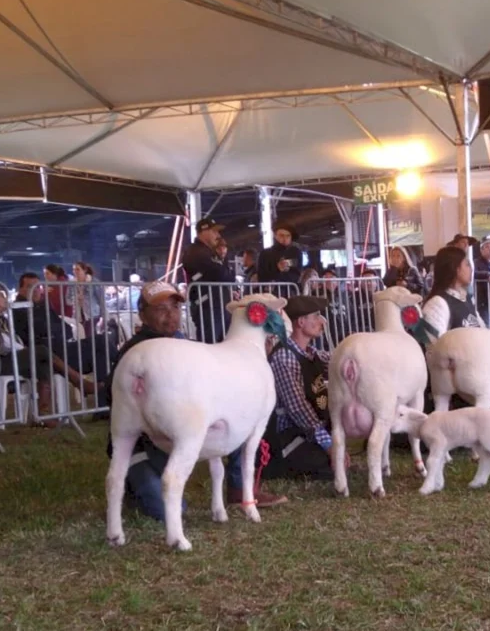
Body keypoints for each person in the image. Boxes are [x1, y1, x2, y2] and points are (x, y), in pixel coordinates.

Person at [106, 282, 286, 521]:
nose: (170, 314)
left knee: (238, 415)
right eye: (161, 309)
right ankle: (135, 484)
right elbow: (114, 401)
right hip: (144, 446)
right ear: (142, 314)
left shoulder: (186, 344)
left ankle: (237, 486)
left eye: (175, 307)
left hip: (177, 435)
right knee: (164, 507)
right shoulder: (134, 353)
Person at [0, 285, 98, 429]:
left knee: (43, 362)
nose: (5, 299)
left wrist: (21, 347)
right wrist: (22, 349)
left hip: (7, 357)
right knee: (41, 351)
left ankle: (42, 415)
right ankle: (80, 382)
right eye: (1, 296)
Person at [12, 272, 114, 406]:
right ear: (21, 289)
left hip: (62, 348)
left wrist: (55, 333)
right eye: (31, 287)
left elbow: (64, 327)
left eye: (38, 287)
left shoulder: (43, 305)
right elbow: (29, 336)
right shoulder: (18, 309)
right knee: (100, 344)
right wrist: (52, 332)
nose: (35, 290)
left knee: (101, 351)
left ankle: (104, 404)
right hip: (46, 357)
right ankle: (122, 360)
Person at [263, 295, 334, 480]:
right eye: (316, 316)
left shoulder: (312, 354)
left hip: (306, 432)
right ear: (301, 322)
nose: (322, 322)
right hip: (286, 436)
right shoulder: (284, 356)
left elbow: (337, 361)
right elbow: (298, 409)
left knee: (332, 462)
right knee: (326, 466)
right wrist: (329, 446)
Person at [415, 246, 484, 347]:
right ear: (456, 269)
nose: (471, 269)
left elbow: (483, 332)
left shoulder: (467, 299)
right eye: (467, 264)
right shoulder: (437, 303)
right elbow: (432, 348)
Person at [180, 217, 233, 343]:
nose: (218, 235)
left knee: (224, 343)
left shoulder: (209, 253)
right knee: (210, 344)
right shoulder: (195, 252)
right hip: (208, 307)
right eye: (214, 231)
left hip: (218, 304)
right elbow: (222, 275)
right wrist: (223, 269)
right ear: (203, 232)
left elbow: (227, 276)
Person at [257, 223, 303, 287]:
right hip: (271, 290)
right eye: (281, 235)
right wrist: (277, 269)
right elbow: (261, 276)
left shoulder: (295, 252)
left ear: (291, 237)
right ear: (275, 236)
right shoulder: (265, 254)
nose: (285, 239)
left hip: (290, 289)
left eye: (288, 236)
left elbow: (296, 274)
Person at [72, 261, 104, 338]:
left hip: (92, 314)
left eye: (77, 269)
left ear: (85, 270)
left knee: (89, 336)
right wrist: (75, 298)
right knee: (82, 336)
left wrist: (103, 316)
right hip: (78, 314)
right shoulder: (72, 283)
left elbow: (101, 299)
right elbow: (68, 299)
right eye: (73, 269)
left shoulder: (94, 282)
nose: (75, 271)